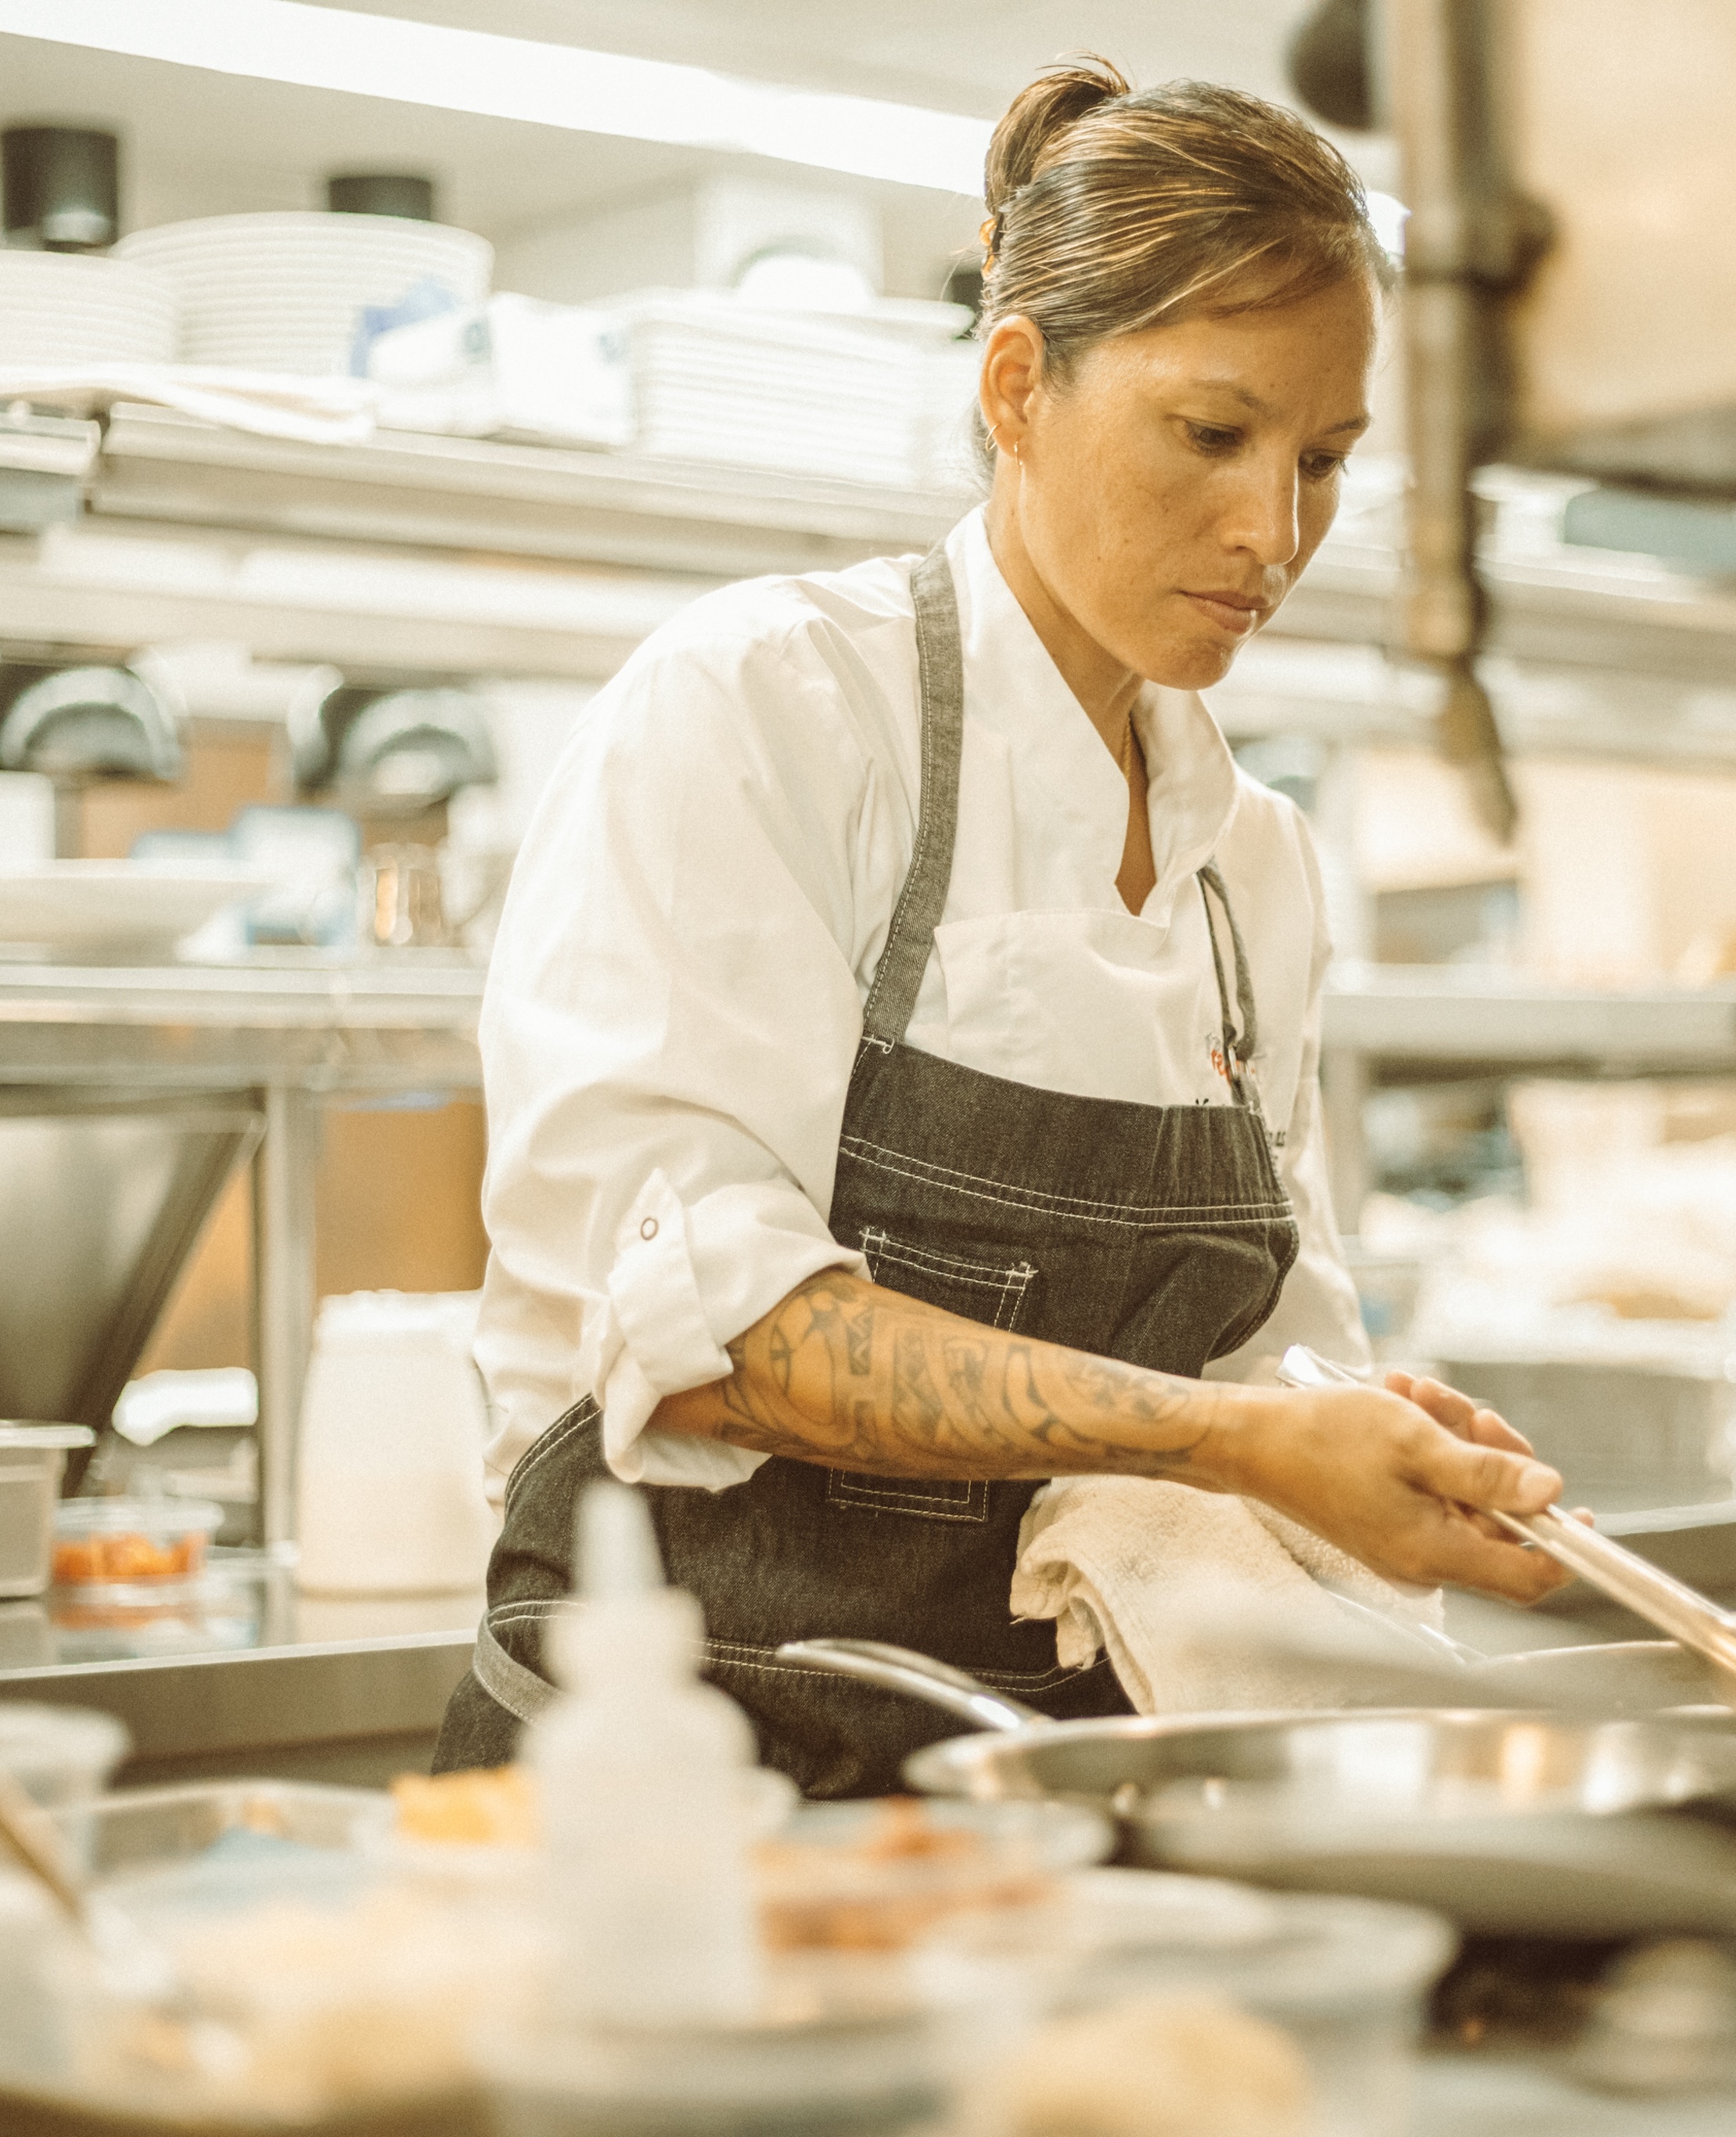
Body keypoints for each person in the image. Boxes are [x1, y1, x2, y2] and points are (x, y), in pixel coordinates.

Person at [434, 58, 1571, 1797]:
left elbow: (1269, 1351)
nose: (1272, 531)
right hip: (664, 1813)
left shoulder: (1247, 867)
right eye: (1212, 433)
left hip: (1044, 1812)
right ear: (1018, 383)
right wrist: (1244, 1438)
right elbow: (730, 1339)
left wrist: (1361, 1436)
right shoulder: (770, 712)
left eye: (1323, 460)